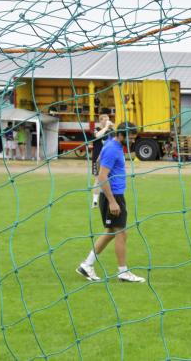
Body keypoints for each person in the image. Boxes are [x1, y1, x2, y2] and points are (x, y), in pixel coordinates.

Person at [76, 123, 146, 283]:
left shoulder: (111, 143)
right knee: (121, 233)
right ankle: (123, 272)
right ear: (121, 135)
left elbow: (99, 160)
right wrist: (112, 202)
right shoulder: (113, 149)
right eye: (131, 138)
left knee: (110, 233)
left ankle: (87, 265)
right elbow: (101, 176)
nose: (133, 141)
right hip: (112, 196)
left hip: (114, 195)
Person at [91, 114, 115, 208]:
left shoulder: (111, 131)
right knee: (97, 179)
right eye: (105, 120)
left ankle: (109, 199)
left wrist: (113, 128)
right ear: (100, 121)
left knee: (110, 178)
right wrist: (105, 128)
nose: (107, 121)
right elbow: (97, 136)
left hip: (108, 159)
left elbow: (117, 140)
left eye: (108, 120)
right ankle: (95, 201)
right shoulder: (96, 129)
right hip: (97, 158)